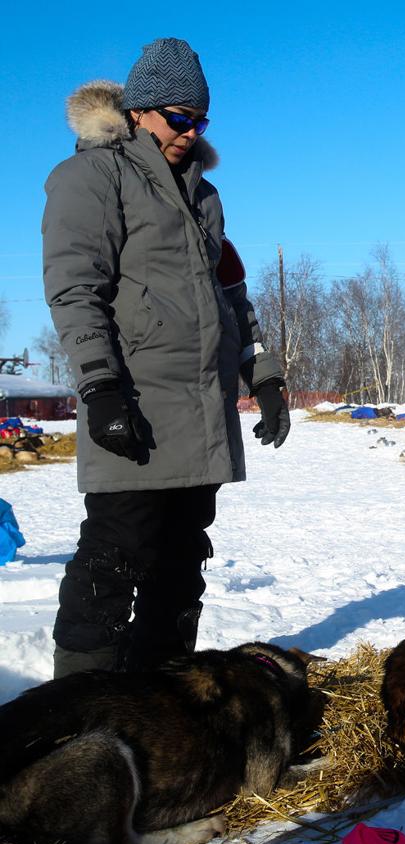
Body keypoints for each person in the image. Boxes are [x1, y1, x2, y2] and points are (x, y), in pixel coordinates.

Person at [42, 38, 289, 677]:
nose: (190, 132)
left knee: (182, 555)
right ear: (140, 112)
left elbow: (232, 296)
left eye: (199, 121)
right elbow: (75, 289)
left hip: (200, 410)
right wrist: (99, 387)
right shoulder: (93, 177)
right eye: (178, 118)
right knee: (116, 549)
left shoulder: (205, 199)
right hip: (135, 400)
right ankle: (79, 703)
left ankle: (162, 694)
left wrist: (263, 378)